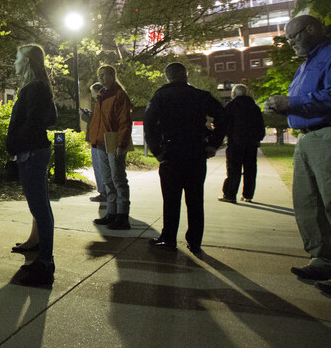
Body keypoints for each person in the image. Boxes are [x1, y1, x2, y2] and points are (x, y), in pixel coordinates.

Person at [266, 15, 331, 299]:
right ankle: (323, 260)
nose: (290, 44)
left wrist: (292, 102)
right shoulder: (305, 66)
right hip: (307, 137)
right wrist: (282, 107)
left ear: (311, 29)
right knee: (308, 204)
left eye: (293, 37)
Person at [143, 62, 226, 254]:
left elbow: (149, 124)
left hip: (171, 152)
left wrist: (157, 150)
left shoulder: (161, 96)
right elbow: (223, 116)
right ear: (186, 75)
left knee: (171, 199)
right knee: (195, 199)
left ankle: (169, 237)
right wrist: (213, 142)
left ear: (168, 77)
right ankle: (195, 241)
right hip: (196, 151)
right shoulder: (200, 95)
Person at [7, 44, 59, 286]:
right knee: (40, 207)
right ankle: (42, 255)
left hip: (32, 153)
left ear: (27, 61)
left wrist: (16, 144)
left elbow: (34, 122)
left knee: (40, 208)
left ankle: (45, 263)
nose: (14, 62)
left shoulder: (35, 89)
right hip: (32, 152)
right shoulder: (35, 88)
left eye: (17, 58)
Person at [87, 65, 133, 230]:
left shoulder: (119, 95)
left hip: (113, 139)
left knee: (118, 179)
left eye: (104, 75)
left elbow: (124, 122)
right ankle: (112, 213)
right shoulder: (101, 94)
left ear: (112, 75)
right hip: (100, 141)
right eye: (99, 75)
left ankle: (122, 215)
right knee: (107, 180)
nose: (101, 78)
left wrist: (121, 144)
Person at [219, 84, 266, 203]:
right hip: (251, 143)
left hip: (235, 142)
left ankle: (230, 194)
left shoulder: (231, 106)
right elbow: (260, 125)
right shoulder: (254, 107)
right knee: (250, 169)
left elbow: (224, 123)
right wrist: (258, 138)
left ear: (234, 94)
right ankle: (248, 195)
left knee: (234, 168)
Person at [82, 81, 107, 203]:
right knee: (101, 167)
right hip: (99, 139)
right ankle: (104, 191)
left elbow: (97, 122)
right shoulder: (101, 102)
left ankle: (104, 192)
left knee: (99, 167)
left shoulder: (101, 102)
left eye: (92, 92)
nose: (91, 94)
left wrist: (87, 117)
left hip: (98, 140)